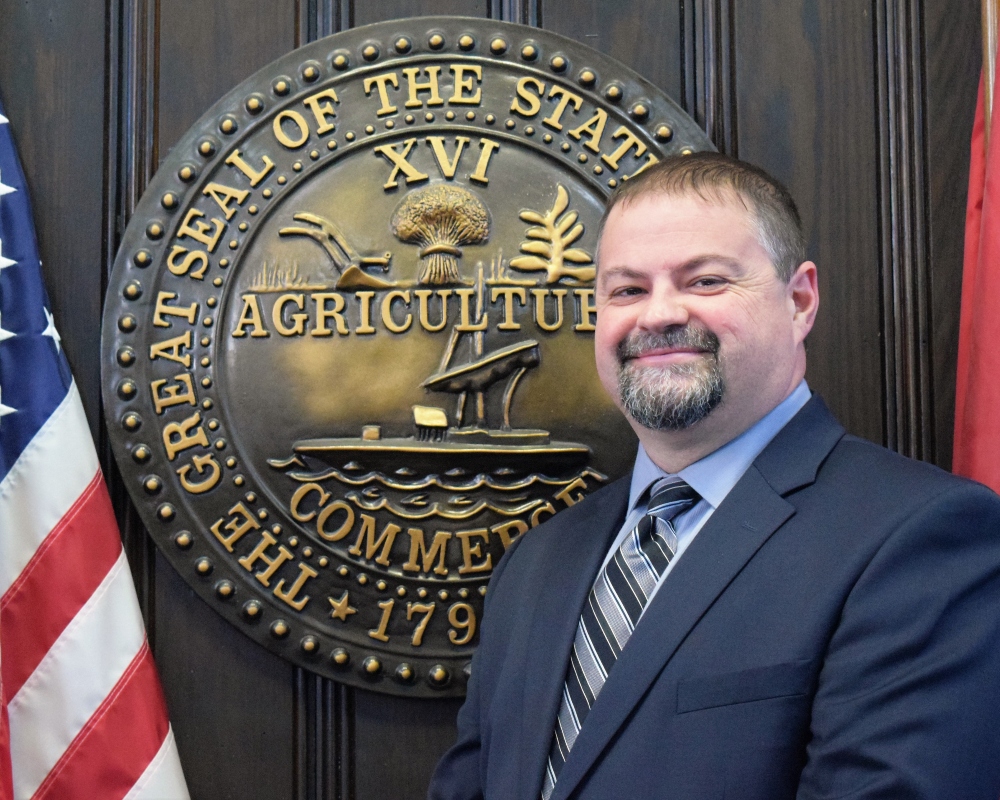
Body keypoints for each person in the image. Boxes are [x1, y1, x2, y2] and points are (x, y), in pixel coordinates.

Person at [427, 153, 1000, 800]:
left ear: (800, 300)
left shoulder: (923, 540)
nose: (659, 315)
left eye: (704, 281)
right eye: (627, 290)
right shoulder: (537, 562)